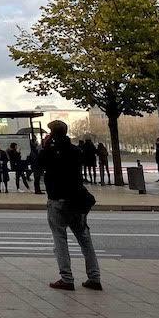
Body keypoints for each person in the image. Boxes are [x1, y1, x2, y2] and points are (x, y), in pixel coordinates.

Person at [38, 119, 102, 291]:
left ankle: (66, 278)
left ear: (52, 134)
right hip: (77, 199)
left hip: (58, 200)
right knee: (84, 239)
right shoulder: (75, 150)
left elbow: (38, 164)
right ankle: (94, 277)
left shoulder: (49, 152)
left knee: (60, 239)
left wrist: (45, 146)